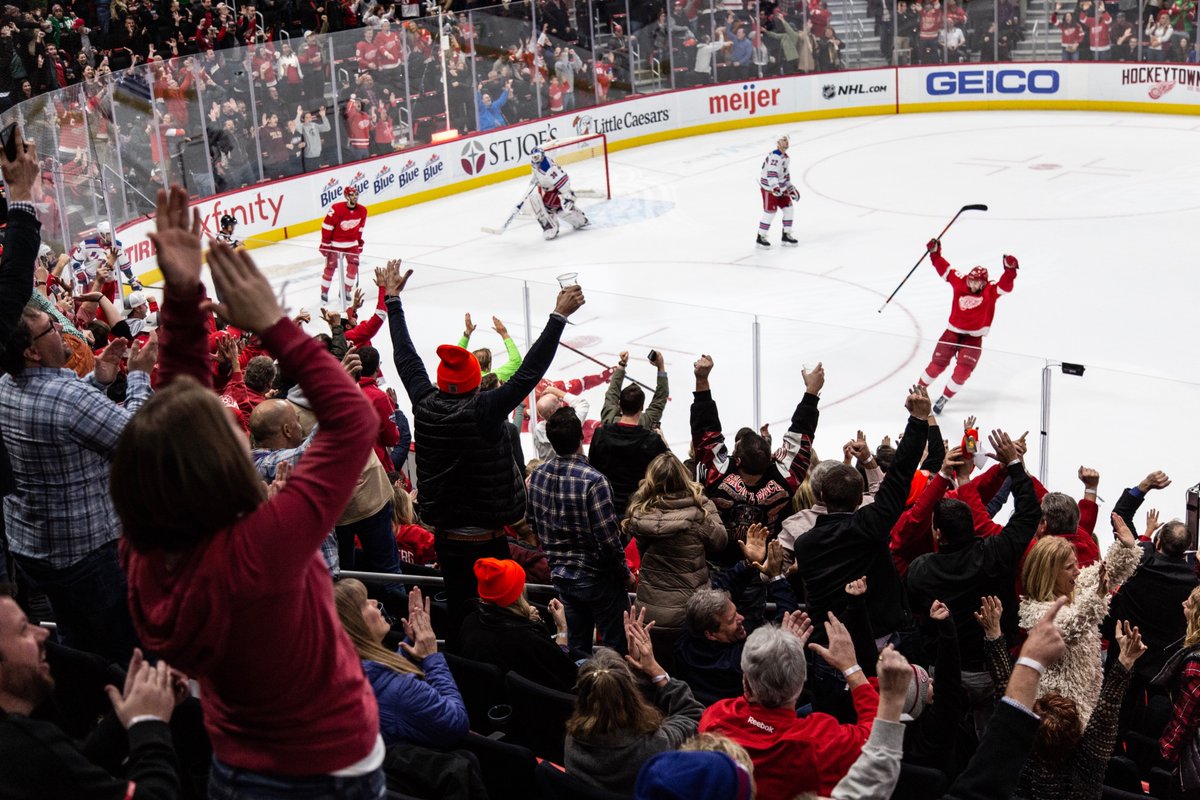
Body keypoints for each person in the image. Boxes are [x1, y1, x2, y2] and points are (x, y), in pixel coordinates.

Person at [114, 188, 387, 796]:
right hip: (328, 767)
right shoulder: (260, 549)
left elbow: (172, 421)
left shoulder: (144, 552)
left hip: (237, 757)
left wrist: (183, 297)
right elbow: (353, 419)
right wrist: (272, 320)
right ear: (218, 466)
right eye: (228, 429)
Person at [387, 260, 585, 636]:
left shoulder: (425, 404)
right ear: (476, 383)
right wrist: (558, 316)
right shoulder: (485, 408)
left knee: (464, 618)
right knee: (502, 618)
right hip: (488, 540)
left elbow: (405, 358)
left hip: (446, 539)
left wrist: (393, 299)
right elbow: (529, 372)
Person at [0, 596, 183, 798]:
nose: (43, 632)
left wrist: (128, 714)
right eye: (23, 629)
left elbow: (70, 769)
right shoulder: (25, 747)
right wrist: (149, 725)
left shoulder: (25, 747)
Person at [978, 596, 1146, 800]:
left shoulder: (1018, 757)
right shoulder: (1086, 767)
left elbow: (1005, 688)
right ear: (1077, 734)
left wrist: (994, 633)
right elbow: (1106, 712)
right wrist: (1125, 660)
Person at [699, 613, 877, 799]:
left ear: (746, 682)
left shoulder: (716, 717)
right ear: (801, 682)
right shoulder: (823, 741)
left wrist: (774, 656)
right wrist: (852, 667)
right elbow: (878, 736)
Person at [1016, 512, 1141, 724]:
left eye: (1076, 564)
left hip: (1086, 700)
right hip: (1059, 711)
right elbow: (1069, 627)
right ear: (1050, 573)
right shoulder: (1035, 610)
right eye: (1069, 567)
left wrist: (1127, 547)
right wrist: (1098, 598)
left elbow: (1104, 572)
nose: (1077, 571)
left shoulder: (1074, 589)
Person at [527, 406, 632, 654]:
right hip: (598, 580)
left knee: (576, 648)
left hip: (563, 577)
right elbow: (608, 540)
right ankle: (612, 690)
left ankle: (581, 690)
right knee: (615, 649)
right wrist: (623, 573)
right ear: (581, 438)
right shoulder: (594, 481)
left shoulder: (537, 476)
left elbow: (532, 524)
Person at [565, 611, 706, 794]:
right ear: (629, 691)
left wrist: (637, 671)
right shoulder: (654, 745)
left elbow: (610, 693)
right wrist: (654, 670)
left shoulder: (571, 740)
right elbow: (694, 715)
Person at [334, 580, 469, 749]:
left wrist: (411, 644)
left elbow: (384, 679)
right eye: (365, 602)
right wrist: (431, 658)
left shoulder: (342, 672)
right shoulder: (400, 690)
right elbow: (456, 723)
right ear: (355, 625)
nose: (374, 602)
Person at [917, 238, 1019, 414]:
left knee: (963, 370)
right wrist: (935, 252)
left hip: (973, 337)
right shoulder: (960, 280)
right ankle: (919, 389)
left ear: (983, 283)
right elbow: (945, 270)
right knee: (937, 364)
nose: (972, 285)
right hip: (952, 332)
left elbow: (1005, 287)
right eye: (971, 281)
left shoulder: (990, 290)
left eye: (976, 283)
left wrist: (1010, 271)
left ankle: (944, 398)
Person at [625, 453, 727, 630]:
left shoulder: (640, 512)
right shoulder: (699, 511)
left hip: (650, 610)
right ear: (684, 476)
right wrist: (705, 505)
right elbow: (720, 542)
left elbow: (641, 551)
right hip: (690, 609)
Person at [456, 557, 579, 691]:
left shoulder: (469, 621)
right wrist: (562, 627)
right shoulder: (527, 638)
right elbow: (566, 675)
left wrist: (527, 620)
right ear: (517, 594)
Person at [1157, 585, 1200, 797]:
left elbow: (1185, 719)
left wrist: (1165, 751)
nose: (1183, 604)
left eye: (1189, 603)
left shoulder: (1195, 666)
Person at [68, 220, 142, 302]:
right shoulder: (87, 245)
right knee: (92, 309)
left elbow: (125, 267)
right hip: (93, 283)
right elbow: (75, 262)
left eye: (112, 234)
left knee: (115, 307)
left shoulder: (117, 246)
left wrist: (132, 280)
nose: (111, 236)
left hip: (111, 282)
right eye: (108, 234)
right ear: (101, 234)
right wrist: (80, 273)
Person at [527, 146, 588, 241]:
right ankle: (580, 220)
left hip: (555, 190)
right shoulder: (536, 164)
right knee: (559, 209)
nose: (535, 159)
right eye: (534, 157)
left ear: (542, 156)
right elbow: (536, 174)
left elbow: (562, 179)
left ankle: (551, 228)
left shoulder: (547, 167)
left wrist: (567, 196)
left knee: (545, 208)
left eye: (537, 157)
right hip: (549, 190)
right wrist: (535, 180)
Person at [319, 186, 367, 305]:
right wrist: (325, 243)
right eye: (352, 195)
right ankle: (324, 292)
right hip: (336, 245)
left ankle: (346, 290)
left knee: (353, 268)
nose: (355, 197)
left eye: (356, 194)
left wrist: (359, 242)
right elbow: (327, 226)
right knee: (330, 269)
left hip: (352, 245)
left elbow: (360, 228)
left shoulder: (363, 210)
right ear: (346, 196)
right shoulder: (336, 209)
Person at [756, 134, 799, 249]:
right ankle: (760, 237)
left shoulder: (785, 157)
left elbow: (785, 175)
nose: (786, 142)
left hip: (780, 189)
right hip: (769, 189)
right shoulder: (775, 156)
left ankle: (786, 235)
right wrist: (775, 187)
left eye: (786, 140)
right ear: (778, 143)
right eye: (783, 140)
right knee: (770, 212)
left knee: (789, 209)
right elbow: (772, 174)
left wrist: (791, 188)